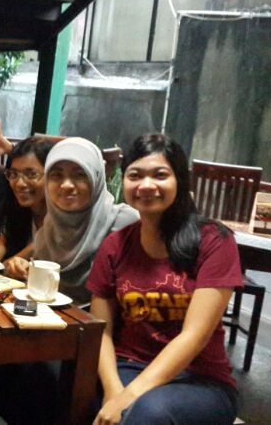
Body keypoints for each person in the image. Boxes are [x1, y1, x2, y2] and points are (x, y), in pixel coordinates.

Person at [87, 133, 241, 425]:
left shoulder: (214, 241)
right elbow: (101, 330)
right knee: (63, 386)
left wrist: (128, 397)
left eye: (160, 175)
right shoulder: (115, 246)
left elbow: (195, 335)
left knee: (147, 413)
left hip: (199, 379)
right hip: (127, 367)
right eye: (135, 175)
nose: (146, 185)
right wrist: (112, 391)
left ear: (179, 180)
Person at [33, 137, 139, 305]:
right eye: (57, 175)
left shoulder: (126, 223)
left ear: (96, 177)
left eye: (80, 175)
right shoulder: (48, 232)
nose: (67, 185)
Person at [0, 137, 54, 279]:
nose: (20, 183)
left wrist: (3, 267)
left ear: (53, 176)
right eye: (13, 174)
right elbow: (3, 244)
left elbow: (7, 267)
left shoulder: (62, 222)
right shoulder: (18, 210)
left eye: (31, 174)